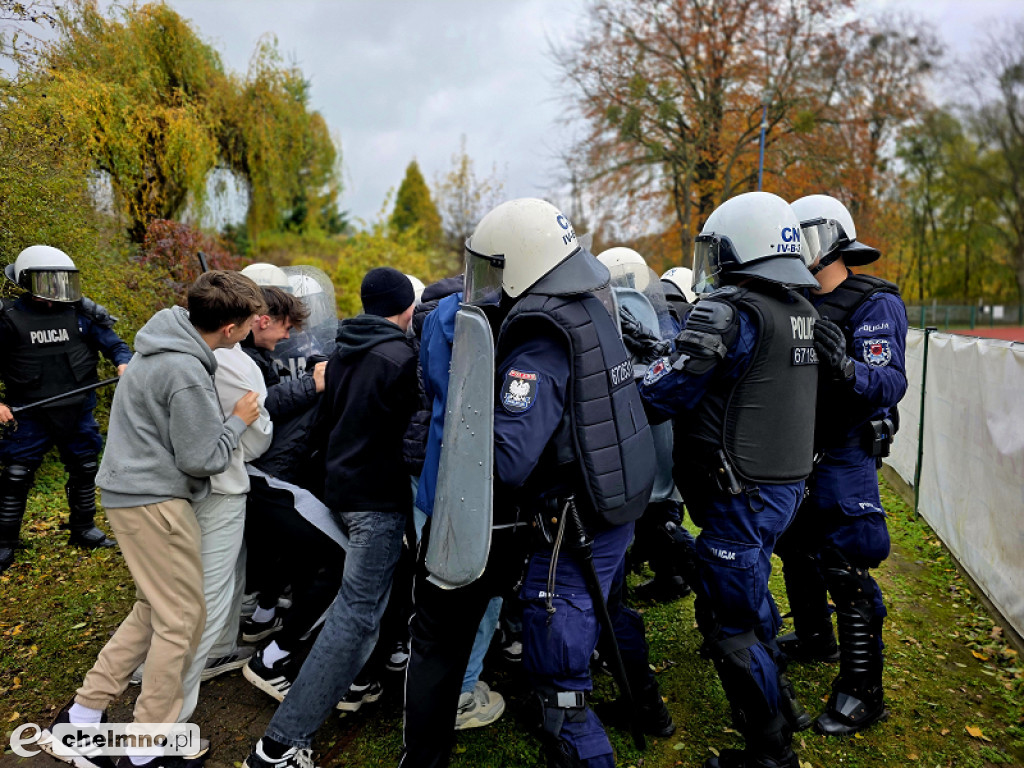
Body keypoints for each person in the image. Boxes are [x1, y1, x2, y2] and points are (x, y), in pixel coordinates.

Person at [399, 198, 658, 768]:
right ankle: (647, 707)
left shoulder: (537, 331)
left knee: (546, 668)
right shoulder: (587, 306)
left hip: (540, 515)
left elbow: (505, 458)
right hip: (596, 506)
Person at [37, 270, 265, 768]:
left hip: (131, 495)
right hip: (154, 502)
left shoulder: (158, 344)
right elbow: (202, 457)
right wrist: (238, 420)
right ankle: (146, 747)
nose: (252, 329)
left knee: (154, 610)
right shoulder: (185, 371)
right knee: (182, 619)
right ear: (229, 329)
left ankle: (82, 715)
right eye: (249, 323)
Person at [638, 191, 819, 768]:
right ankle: (782, 703)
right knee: (751, 596)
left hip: (738, 491)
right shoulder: (801, 310)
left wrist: (619, 383)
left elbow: (668, 392)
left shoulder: (729, 310)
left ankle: (771, 754)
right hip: (780, 488)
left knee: (732, 626)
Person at [244, 267, 418, 768]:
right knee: (355, 617)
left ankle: (357, 680)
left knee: (354, 598)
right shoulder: (400, 359)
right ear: (406, 309)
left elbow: (329, 423)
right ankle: (280, 744)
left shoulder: (343, 353)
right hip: (375, 502)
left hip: (339, 488)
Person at [774, 194, 907, 736]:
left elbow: (890, 382)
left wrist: (846, 367)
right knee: (794, 547)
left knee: (846, 565)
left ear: (830, 240)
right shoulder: (793, 298)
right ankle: (814, 638)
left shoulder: (872, 302)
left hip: (847, 448)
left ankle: (863, 691)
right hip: (797, 448)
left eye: (802, 238)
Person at [0, 245, 133, 572]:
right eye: (49, 282)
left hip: (77, 409)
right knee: (16, 476)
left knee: (86, 466)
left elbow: (116, 346)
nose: (57, 289)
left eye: (62, 281)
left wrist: (124, 364)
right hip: (29, 413)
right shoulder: (8, 320)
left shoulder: (83, 314)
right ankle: (4, 544)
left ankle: (83, 529)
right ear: (29, 283)